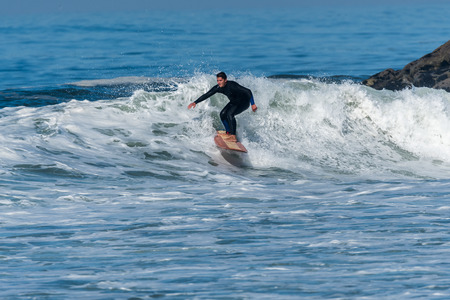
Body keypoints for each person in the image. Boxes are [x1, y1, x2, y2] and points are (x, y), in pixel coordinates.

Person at [188, 72, 257, 141]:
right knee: (222, 114)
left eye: (220, 80)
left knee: (230, 114)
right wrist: (195, 102)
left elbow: (248, 91)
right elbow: (207, 94)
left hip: (244, 102)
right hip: (234, 102)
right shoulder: (218, 88)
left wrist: (253, 104)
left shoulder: (232, 85)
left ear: (225, 80)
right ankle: (228, 132)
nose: (219, 82)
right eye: (217, 80)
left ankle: (233, 136)